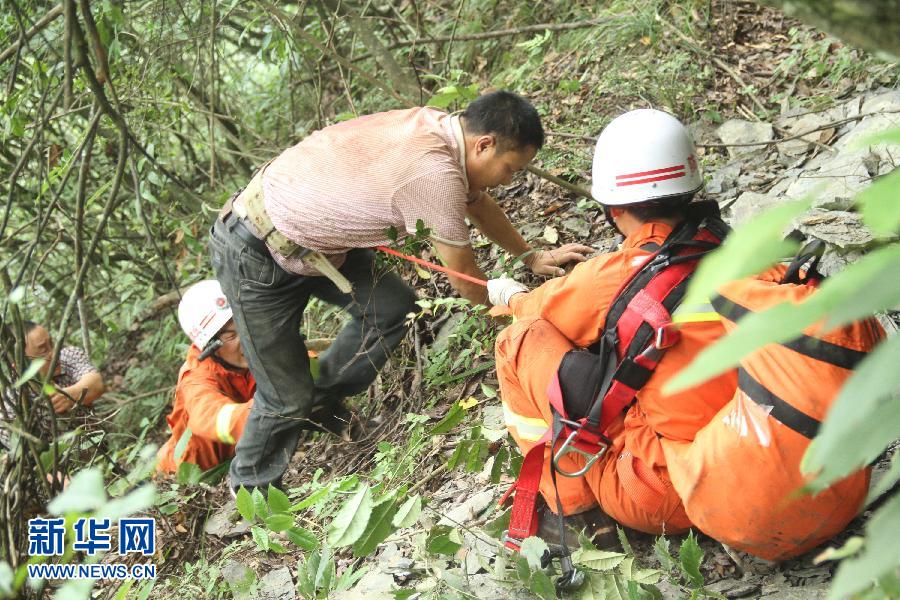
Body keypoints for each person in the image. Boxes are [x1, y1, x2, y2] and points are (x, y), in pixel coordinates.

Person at [209, 90, 593, 493]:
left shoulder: (443, 131)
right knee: (284, 397)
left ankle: (321, 398)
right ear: (485, 144)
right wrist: (510, 309)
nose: (509, 180)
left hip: (317, 241)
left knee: (392, 309)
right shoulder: (432, 175)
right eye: (510, 169)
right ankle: (251, 486)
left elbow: (477, 204)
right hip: (255, 250)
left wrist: (531, 256)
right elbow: (464, 276)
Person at [488, 109, 737, 550]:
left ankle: (572, 508)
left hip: (666, 494)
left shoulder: (613, 275)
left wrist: (507, 294)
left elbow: (536, 312)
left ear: (612, 207)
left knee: (517, 342)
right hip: (765, 459)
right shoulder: (741, 250)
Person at [157, 280, 255, 473]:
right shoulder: (196, 377)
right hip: (189, 476)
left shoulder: (251, 349)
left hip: (238, 456)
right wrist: (266, 413)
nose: (246, 339)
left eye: (245, 326)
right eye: (231, 336)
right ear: (211, 347)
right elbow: (209, 417)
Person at [24, 321, 105, 414]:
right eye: (43, 350)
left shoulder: (68, 355)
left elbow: (97, 383)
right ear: (19, 365)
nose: (55, 354)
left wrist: (68, 396)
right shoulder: (14, 398)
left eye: (52, 344)